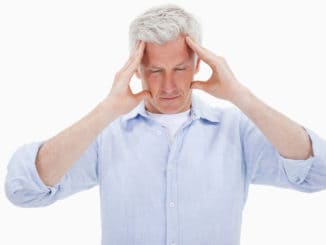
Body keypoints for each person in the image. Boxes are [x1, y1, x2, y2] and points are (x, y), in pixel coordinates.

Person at [5, 4, 326, 245]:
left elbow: (316, 172)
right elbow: (25, 189)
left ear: (199, 63)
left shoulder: (236, 130)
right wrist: (105, 110)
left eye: (181, 68)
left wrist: (241, 95)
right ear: (136, 68)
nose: (169, 85)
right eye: (155, 71)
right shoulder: (107, 135)